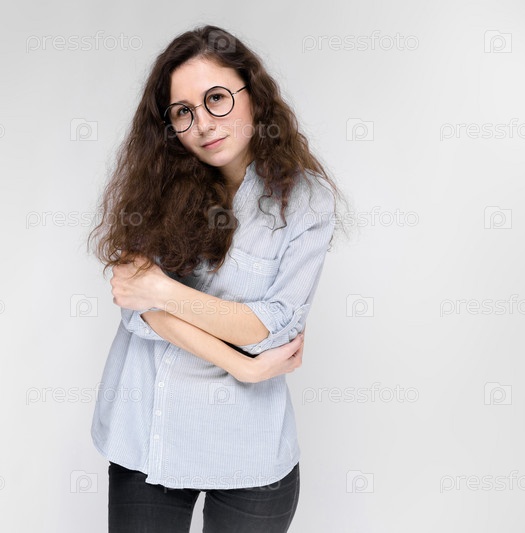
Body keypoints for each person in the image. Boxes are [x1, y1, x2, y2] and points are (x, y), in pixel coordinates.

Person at [87, 24, 346, 533]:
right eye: (183, 112)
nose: (203, 123)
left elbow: (273, 327)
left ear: (253, 95)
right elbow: (137, 309)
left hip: (248, 447)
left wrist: (163, 290)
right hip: (149, 435)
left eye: (216, 99)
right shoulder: (155, 187)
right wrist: (242, 365)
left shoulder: (307, 201)